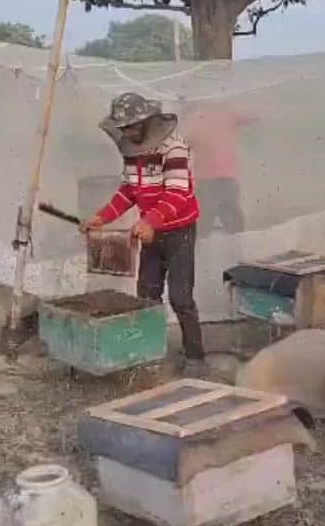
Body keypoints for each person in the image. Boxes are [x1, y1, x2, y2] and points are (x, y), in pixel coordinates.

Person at [79, 92, 205, 367]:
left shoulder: (174, 147)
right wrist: (102, 217)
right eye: (123, 128)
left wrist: (150, 221)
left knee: (181, 298)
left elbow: (177, 193)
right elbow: (129, 191)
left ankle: (195, 356)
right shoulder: (130, 151)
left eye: (132, 126)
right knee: (147, 295)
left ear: (148, 120)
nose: (128, 132)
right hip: (151, 232)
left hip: (179, 231)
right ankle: (149, 352)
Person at [177, 99, 258, 237]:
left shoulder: (222, 110)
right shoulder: (201, 113)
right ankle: (209, 245)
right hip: (212, 179)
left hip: (220, 178)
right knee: (211, 219)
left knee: (225, 219)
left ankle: (231, 245)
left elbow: (253, 115)